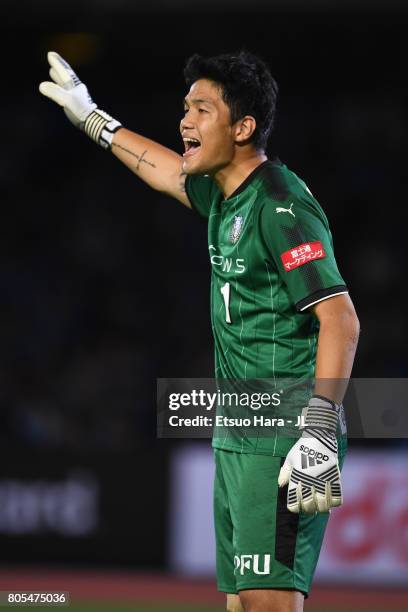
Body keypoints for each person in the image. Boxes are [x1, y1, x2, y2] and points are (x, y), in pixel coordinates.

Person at [40, 50, 360, 612]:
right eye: (185, 107)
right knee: (240, 606)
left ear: (243, 128)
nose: (185, 121)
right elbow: (162, 169)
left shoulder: (280, 207)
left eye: (202, 110)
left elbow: (340, 318)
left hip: (282, 430)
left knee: (267, 604)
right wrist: (93, 119)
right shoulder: (224, 195)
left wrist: (319, 430)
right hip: (237, 429)